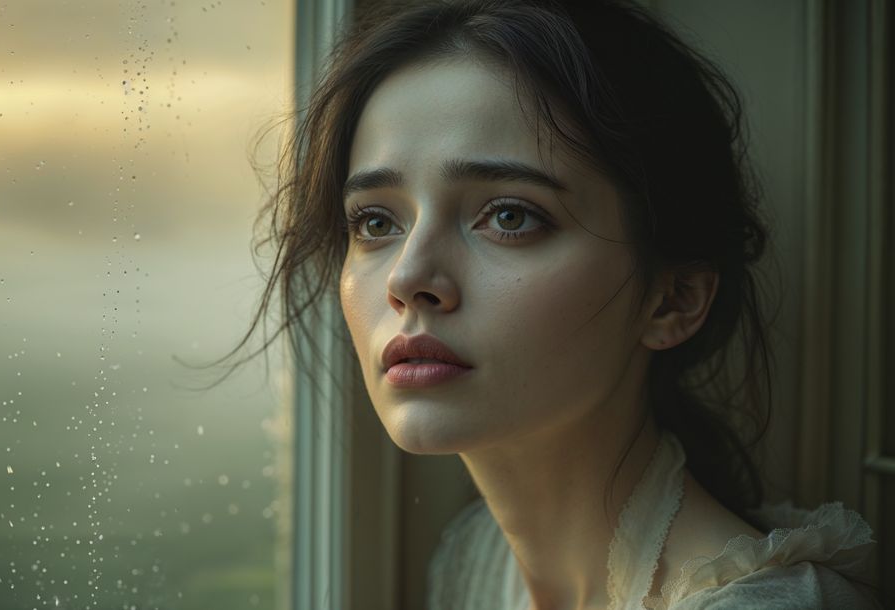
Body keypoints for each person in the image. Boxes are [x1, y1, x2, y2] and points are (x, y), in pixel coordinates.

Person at [238, 0, 882, 607]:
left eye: (511, 216)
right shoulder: (473, 562)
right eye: (376, 223)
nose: (408, 278)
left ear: (673, 299)